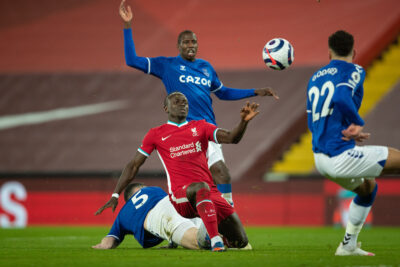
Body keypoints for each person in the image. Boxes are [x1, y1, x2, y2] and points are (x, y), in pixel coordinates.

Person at [119, 0, 278, 206]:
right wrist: (127, 25)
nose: (190, 45)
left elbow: (223, 93)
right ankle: (187, 228)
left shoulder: (206, 68)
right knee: (194, 185)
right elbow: (131, 60)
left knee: (222, 174)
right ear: (178, 46)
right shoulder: (167, 65)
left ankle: (227, 218)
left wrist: (255, 91)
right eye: (186, 42)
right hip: (184, 133)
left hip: (206, 129)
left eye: (193, 42)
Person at [96, 92, 260, 252]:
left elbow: (232, 138)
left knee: (240, 241)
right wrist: (115, 195)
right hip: (180, 196)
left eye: (185, 102)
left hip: (210, 193)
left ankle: (215, 236)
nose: (182, 104)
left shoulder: (201, 126)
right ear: (166, 108)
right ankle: (215, 241)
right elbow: (133, 165)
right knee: (200, 187)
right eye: (177, 101)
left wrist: (243, 122)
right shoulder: (156, 134)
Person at [307, 30, 400, 256]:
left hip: (320, 157)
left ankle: (348, 246)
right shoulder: (355, 69)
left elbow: (313, 118)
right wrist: (357, 122)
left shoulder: (316, 77)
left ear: (329, 52)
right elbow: (340, 97)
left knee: (368, 188)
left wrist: (342, 130)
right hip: (338, 155)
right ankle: (348, 246)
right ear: (354, 51)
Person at [93, 182, 210, 250]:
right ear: (142, 189)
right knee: (212, 233)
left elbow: (109, 242)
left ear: (129, 199)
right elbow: (173, 210)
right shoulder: (154, 189)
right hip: (177, 203)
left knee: (200, 242)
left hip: (158, 215)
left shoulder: (123, 214)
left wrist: (100, 246)